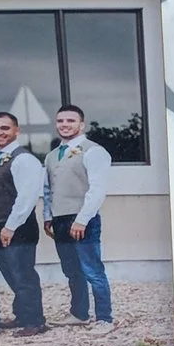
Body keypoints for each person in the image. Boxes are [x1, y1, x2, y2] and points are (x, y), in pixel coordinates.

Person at [44, 104, 113, 329]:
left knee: (92, 270)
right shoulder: (52, 155)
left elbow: (97, 190)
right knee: (72, 271)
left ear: (81, 124)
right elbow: (48, 190)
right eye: (60, 121)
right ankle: (79, 313)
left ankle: (104, 318)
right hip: (60, 219)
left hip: (83, 218)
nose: (65, 125)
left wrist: (82, 220)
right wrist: (48, 217)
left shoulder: (94, 151)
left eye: (70, 121)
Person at [0, 111, 47, 334]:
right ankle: (22, 315)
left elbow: (27, 197)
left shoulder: (24, 159)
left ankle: (35, 322)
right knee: (11, 275)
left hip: (18, 228)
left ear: (16, 130)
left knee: (23, 275)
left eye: (5, 128)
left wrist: (10, 226)